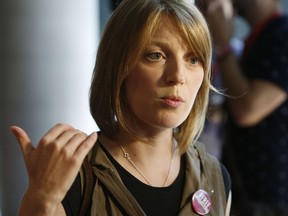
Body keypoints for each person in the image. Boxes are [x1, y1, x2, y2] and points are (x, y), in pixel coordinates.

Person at [10, 0, 231, 215]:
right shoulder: (74, 177)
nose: (177, 76)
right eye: (156, 56)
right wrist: (42, 199)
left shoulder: (215, 178)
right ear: (119, 67)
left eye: (193, 60)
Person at [199, 0, 288, 215]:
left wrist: (223, 44)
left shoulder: (283, 34)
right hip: (248, 194)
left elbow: (248, 110)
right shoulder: (260, 37)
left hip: (271, 199)